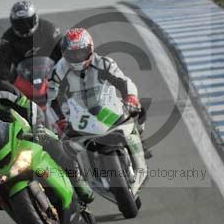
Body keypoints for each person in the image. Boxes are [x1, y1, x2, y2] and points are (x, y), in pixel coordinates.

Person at [0, 60, 94, 208]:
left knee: (55, 144)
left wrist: (37, 128)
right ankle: (26, 217)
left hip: (24, 135)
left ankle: (77, 180)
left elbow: (29, 107)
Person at [47, 28, 150, 157]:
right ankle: (80, 174)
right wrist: (60, 121)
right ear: (64, 53)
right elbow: (52, 99)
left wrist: (131, 97)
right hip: (77, 115)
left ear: (90, 49)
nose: (78, 58)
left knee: (138, 111)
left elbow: (123, 82)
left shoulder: (103, 63)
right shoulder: (59, 71)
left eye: (81, 52)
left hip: (106, 107)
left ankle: (140, 139)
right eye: (73, 54)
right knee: (63, 151)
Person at [0, 0, 64, 81]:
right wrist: (5, 78)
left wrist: (61, 71)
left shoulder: (49, 29)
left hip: (50, 73)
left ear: (35, 18)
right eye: (19, 23)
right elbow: (2, 63)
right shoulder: (7, 39)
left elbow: (63, 49)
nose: (24, 26)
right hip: (23, 76)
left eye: (27, 22)